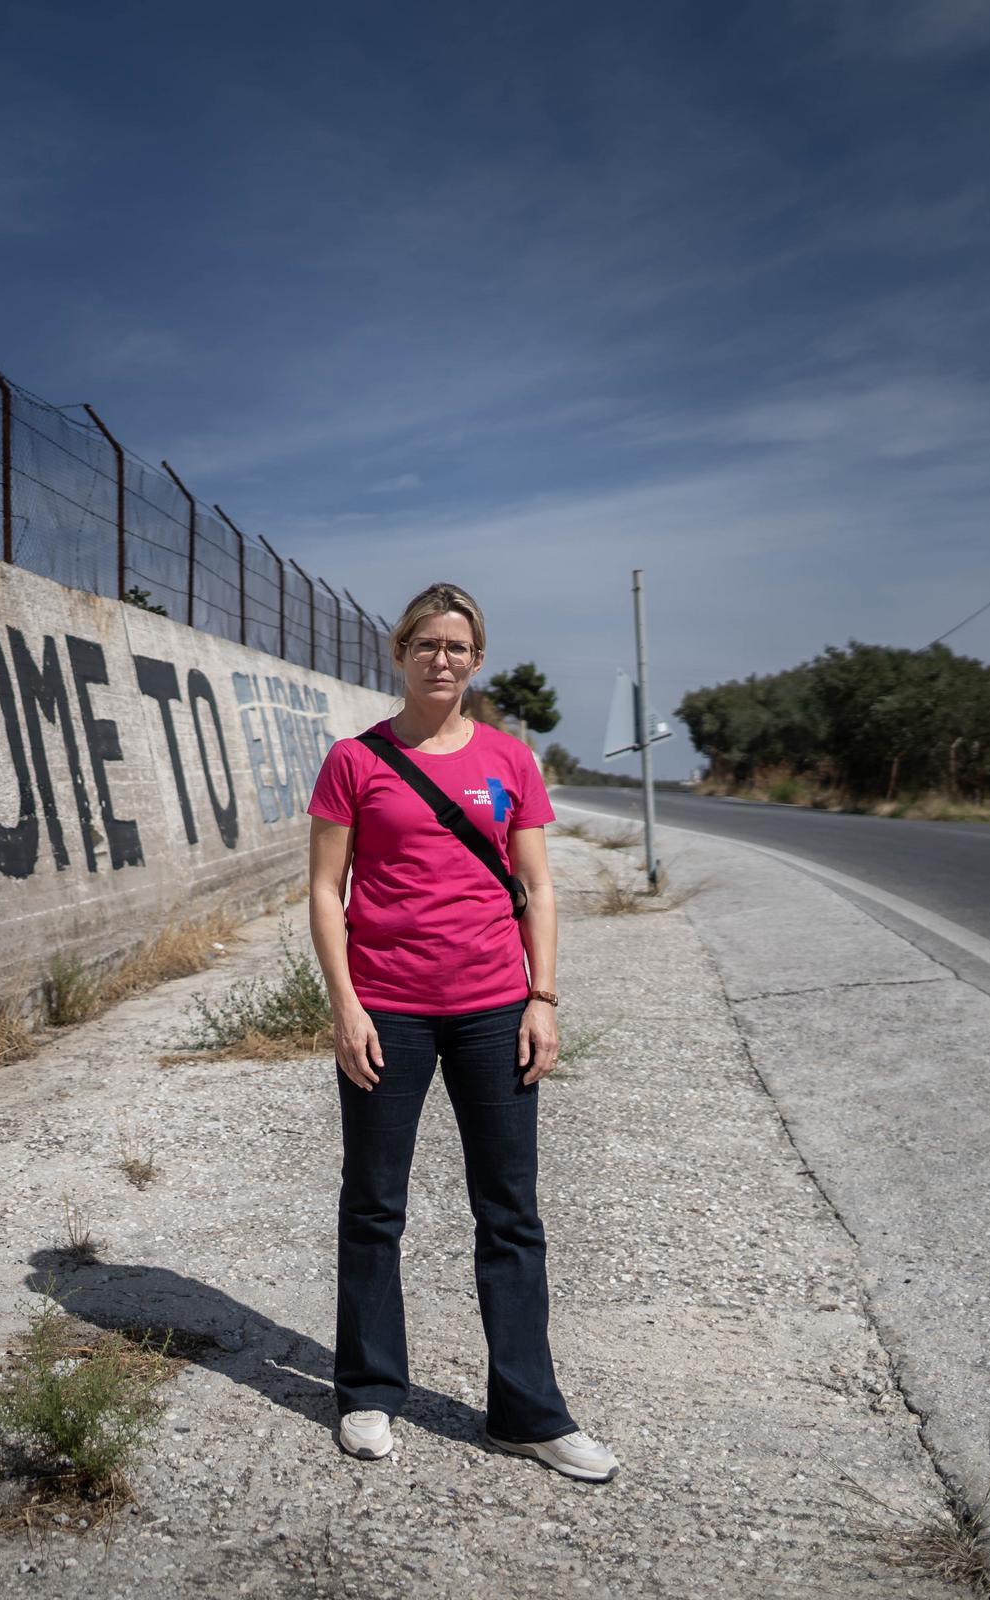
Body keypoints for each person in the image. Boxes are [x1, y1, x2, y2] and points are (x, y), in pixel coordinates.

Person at [304, 581, 617, 1482]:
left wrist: (542, 997)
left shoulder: (510, 760)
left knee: (510, 1214)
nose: (441, 660)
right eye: (426, 644)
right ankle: (367, 1392)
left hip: (491, 1009)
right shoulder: (354, 761)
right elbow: (328, 890)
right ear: (399, 654)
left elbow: (539, 887)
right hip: (387, 1008)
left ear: (477, 661)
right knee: (373, 1204)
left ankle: (526, 1411)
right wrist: (346, 1005)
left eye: (458, 647)